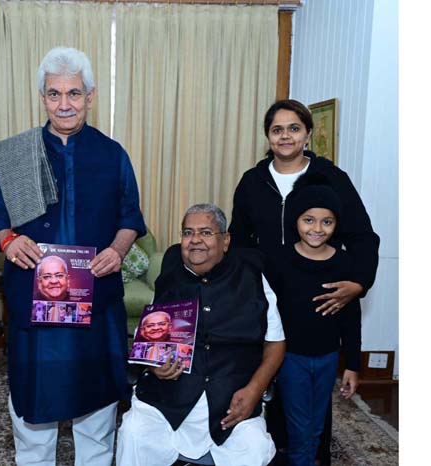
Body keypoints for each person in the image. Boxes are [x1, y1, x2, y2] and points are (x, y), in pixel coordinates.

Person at [0, 46, 146, 466]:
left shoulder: (112, 154)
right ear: (42, 98)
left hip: (96, 301)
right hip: (35, 303)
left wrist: (117, 250)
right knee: (34, 409)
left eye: (73, 93)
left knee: (96, 411)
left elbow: (130, 217)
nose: (64, 104)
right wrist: (8, 240)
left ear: (90, 96)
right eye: (54, 94)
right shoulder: (20, 154)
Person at [229, 99, 379, 464]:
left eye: (294, 128)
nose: (286, 136)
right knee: (270, 379)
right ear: (267, 136)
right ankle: (270, 451)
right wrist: (243, 291)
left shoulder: (332, 178)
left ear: (308, 134)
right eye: (277, 129)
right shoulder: (252, 182)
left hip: (318, 300)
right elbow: (240, 241)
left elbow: (363, 236)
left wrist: (358, 283)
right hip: (268, 296)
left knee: (313, 395)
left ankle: (311, 456)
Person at [117, 204, 285, 466]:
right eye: (188, 233)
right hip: (168, 399)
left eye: (206, 232)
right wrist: (153, 365)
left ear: (225, 240)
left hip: (232, 400)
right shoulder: (168, 280)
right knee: (133, 434)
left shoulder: (253, 279)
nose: (195, 240)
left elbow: (276, 343)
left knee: (255, 448)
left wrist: (255, 389)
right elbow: (146, 341)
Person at [265, 175, 361, 466]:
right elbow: (266, 311)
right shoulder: (279, 260)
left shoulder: (344, 262)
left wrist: (353, 364)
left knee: (317, 424)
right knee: (298, 425)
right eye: (309, 220)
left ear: (335, 224)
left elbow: (351, 317)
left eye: (326, 222)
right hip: (290, 357)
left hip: (328, 357)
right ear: (296, 220)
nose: (317, 229)